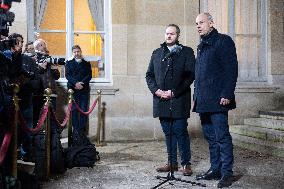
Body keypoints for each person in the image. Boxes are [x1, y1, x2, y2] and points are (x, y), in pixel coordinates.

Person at [193, 13, 238, 188]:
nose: (198, 26)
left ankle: (227, 173)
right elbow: (200, 75)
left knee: (222, 137)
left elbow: (231, 69)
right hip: (203, 100)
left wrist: (227, 93)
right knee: (211, 138)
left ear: (211, 23)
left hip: (219, 100)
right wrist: (195, 98)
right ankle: (215, 169)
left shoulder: (223, 41)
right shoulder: (201, 46)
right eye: (196, 23)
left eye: (201, 22)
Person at [146, 24, 195, 176]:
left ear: (178, 36)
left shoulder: (186, 52)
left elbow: (190, 76)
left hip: (179, 100)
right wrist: (157, 91)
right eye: (167, 33)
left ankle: (186, 164)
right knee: (168, 132)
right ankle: (171, 163)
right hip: (161, 100)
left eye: (172, 34)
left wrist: (174, 92)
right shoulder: (157, 53)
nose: (169, 36)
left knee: (180, 131)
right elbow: (149, 75)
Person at [65, 45, 92, 132]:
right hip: (73, 90)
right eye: (74, 52)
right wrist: (76, 83)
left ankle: (82, 132)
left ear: (81, 52)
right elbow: (68, 75)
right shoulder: (69, 63)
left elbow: (89, 75)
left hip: (84, 90)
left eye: (78, 51)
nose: (76, 53)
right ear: (73, 53)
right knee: (74, 110)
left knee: (84, 110)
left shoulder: (86, 63)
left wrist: (81, 84)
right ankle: (76, 131)